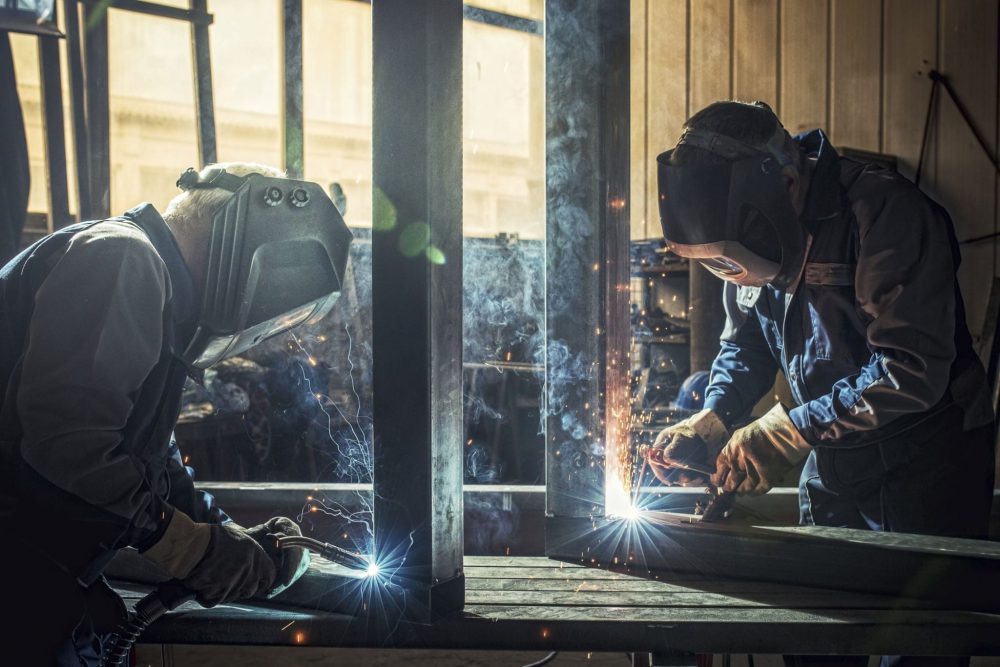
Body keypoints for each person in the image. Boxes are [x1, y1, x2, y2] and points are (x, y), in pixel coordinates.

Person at [0, 162, 353, 665]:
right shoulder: (124, 257)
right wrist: (191, 549)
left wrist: (227, 536)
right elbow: (70, 450)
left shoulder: (153, 294)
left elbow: (148, 462)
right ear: (251, 253)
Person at [644, 101, 994, 542]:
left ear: (788, 184)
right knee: (827, 594)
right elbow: (746, 343)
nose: (729, 273)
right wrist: (713, 417)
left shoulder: (884, 213)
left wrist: (792, 430)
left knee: (914, 606)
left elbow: (910, 367)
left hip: (923, 461)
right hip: (830, 455)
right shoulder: (743, 227)